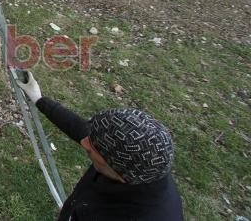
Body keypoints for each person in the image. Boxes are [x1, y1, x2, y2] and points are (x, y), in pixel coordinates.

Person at [17, 72, 184, 220]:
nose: (84, 142)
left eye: (93, 147)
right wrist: (39, 99)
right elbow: (82, 130)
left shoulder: (144, 214)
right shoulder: (139, 164)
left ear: (119, 173)